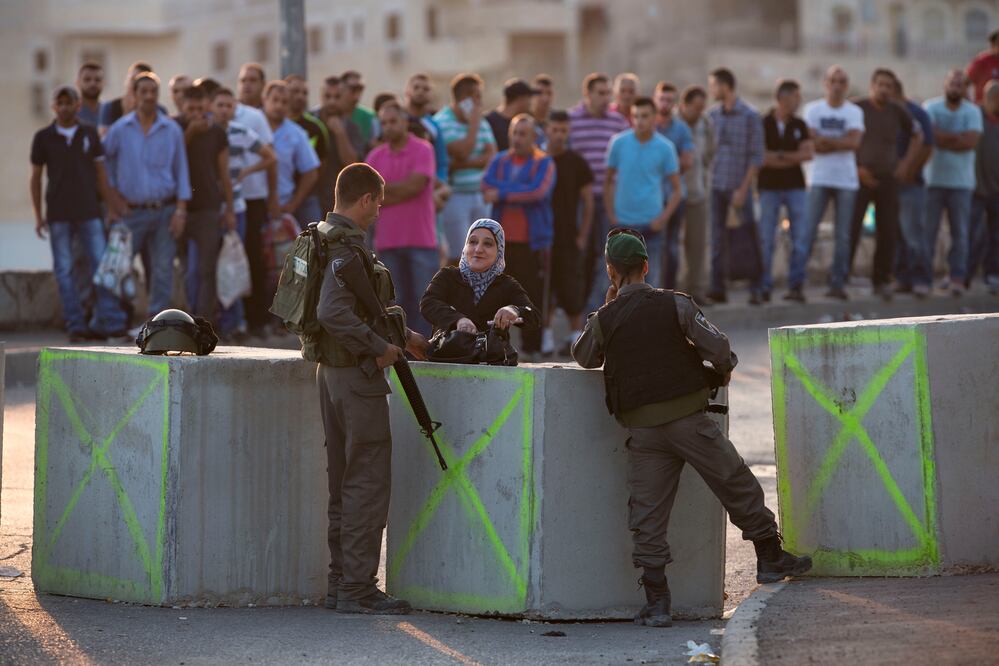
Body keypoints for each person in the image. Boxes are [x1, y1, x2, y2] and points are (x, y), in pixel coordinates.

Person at [571, 229, 812, 628]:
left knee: (647, 515)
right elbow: (719, 348)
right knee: (736, 483)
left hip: (644, 432)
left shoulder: (605, 319)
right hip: (689, 420)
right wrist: (720, 371)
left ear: (610, 271)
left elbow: (583, 358)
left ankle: (658, 600)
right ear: (647, 266)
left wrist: (607, 308)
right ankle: (770, 558)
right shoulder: (675, 304)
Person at [315, 163, 428, 615]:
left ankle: (341, 583)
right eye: (378, 203)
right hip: (356, 377)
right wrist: (379, 347)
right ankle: (356, 588)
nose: (380, 211)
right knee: (366, 482)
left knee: (345, 481)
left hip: (333, 372)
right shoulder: (346, 249)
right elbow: (332, 311)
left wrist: (401, 336)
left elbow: (361, 306)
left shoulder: (323, 237)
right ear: (364, 200)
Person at [30, 85, 128, 341]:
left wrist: (112, 207)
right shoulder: (43, 137)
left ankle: (112, 322)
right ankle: (75, 324)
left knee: (101, 265)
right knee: (64, 269)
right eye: (59, 103)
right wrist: (38, 215)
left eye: (68, 102)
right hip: (58, 214)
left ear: (77, 105)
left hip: (89, 211)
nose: (64, 107)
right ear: (54, 106)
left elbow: (100, 175)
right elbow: (36, 178)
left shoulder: (89, 134)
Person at [103, 72, 191, 318]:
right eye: (144, 92)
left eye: (154, 92)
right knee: (119, 265)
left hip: (165, 211)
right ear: (134, 95)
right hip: (131, 212)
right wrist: (113, 200)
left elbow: (181, 171)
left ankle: (157, 324)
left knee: (163, 269)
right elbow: (102, 163)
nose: (149, 96)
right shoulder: (120, 129)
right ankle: (114, 321)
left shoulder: (171, 129)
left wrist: (181, 211)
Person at [481, 114, 556, 356]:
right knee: (496, 293)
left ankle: (532, 347)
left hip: (532, 242)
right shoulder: (500, 160)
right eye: (515, 132)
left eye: (523, 134)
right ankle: (496, 345)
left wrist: (502, 194)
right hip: (502, 243)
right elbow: (485, 185)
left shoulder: (544, 162)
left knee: (530, 295)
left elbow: (537, 192)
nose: (517, 138)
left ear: (534, 137)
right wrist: (516, 191)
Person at [365, 101, 438, 336]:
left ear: (405, 122)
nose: (388, 127)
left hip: (421, 240)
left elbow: (415, 186)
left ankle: (427, 355)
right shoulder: (374, 156)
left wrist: (383, 195)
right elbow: (367, 197)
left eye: (393, 121)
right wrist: (394, 192)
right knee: (394, 304)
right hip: (388, 242)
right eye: (384, 122)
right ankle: (400, 356)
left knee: (424, 301)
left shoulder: (423, 149)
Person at [210, 87, 277, 339]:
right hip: (209, 207)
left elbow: (270, 157)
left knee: (233, 263)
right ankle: (213, 319)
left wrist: (246, 172)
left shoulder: (240, 132)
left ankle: (234, 322)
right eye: (220, 105)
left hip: (236, 207)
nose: (224, 110)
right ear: (211, 106)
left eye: (229, 105)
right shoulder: (205, 132)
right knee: (207, 267)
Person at [849, 69, 917, 301]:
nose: (884, 89)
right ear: (872, 86)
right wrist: (857, 167)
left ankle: (881, 279)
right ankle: (842, 278)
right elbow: (848, 138)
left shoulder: (898, 111)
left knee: (887, 230)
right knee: (852, 228)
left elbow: (918, 135)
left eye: (889, 85)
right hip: (860, 177)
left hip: (888, 178)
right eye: (880, 84)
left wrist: (906, 164)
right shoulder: (857, 108)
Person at [605, 97, 682, 289]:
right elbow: (607, 181)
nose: (640, 121)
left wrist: (663, 219)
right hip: (622, 225)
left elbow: (677, 190)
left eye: (645, 116)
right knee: (613, 283)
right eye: (636, 116)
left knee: (651, 283)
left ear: (655, 117)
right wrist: (611, 214)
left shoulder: (665, 147)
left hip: (651, 225)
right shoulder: (618, 143)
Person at [801, 66, 864, 301]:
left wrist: (825, 140)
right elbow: (810, 142)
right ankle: (797, 282)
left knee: (843, 235)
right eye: (833, 81)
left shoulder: (854, 112)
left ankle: (838, 283)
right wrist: (840, 140)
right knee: (808, 230)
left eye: (842, 81)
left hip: (846, 180)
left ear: (846, 86)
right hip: (818, 177)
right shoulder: (812, 109)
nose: (837, 85)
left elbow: (854, 142)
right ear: (826, 84)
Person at [569, 72, 629, 312]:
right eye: (601, 93)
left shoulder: (618, 123)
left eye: (608, 93)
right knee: (580, 254)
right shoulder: (572, 120)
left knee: (607, 256)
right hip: (580, 200)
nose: (606, 98)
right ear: (588, 94)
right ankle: (576, 307)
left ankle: (597, 308)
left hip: (608, 199)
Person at [420, 218, 541, 337]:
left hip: (490, 355)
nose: (478, 249)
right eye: (472, 242)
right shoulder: (447, 276)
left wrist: (514, 310)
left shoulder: (506, 284)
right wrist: (458, 319)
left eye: (487, 244)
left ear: (499, 251)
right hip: (447, 354)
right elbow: (428, 303)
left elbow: (534, 316)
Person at [175, 85, 234, 323]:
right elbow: (174, 155)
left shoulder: (217, 133)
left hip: (208, 207)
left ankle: (202, 320)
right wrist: (190, 131)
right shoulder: (174, 127)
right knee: (186, 268)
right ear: (182, 106)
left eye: (201, 108)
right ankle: (184, 316)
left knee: (206, 269)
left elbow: (224, 173)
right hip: (180, 208)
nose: (197, 113)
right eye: (191, 108)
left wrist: (229, 208)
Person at [706, 68, 765, 304]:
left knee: (749, 236)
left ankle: (757, 288)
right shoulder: (712, 116)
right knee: (717, 239)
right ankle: (717, 288)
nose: (712, 90)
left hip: (739, 186)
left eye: (714, 85)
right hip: (716, 185)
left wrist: (743, 189)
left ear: (724, 86)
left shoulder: (750, 115)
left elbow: (756, 155)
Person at [924, 69, 983, 296]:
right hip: (933, 181)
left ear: (965, 88)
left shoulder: (973, 111)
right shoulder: (931, 107)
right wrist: (955, 137)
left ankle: (957, 276)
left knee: (960, 233)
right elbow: (930, 137)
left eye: (960, 84)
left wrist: (943, 138)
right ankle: (925, 277)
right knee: (928, 232)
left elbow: (970, 142)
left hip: (961, 183)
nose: (955, 87)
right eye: (952, 83)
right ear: (944, 85)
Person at [235, 62, 280, 338]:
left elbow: (271, 159)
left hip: (254, 198)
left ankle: (257, 319)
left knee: (256, 258)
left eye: (253, 80)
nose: (247, 84)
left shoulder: (256, 117)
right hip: (230, 201)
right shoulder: (227, 112)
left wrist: (273, 196)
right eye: (243, 79)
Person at [433, 73, 497, 263]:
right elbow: (462, 150)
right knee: (460, 255)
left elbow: (491, 155)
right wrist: (474, 125)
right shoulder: (442, 121)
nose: (480, 102)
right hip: (456, 197)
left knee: (483, 256)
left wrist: (460, 165)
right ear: (465, 99)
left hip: (480, 196)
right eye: (476, 96)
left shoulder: (482, 121)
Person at [758, 79, 813, 302]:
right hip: (769, 187)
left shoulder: (800, 125)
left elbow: (808, 154)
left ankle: (796, 285)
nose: (798, 102)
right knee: (765, 238)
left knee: (799, 236)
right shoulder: (763, 123)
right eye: (795, 97)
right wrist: (790, 157)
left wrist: (777, 156)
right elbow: (761, 157)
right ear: (782, 97)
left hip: (795, 187)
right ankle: (763, 286)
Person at [545, 109, 594, 355]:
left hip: (568, 236)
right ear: (547, 130)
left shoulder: (576, 162)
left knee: (572, 286)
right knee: (545, 287)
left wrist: (583, 234)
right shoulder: (539, 159)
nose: (559, 135)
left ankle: (576, 339)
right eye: (555, 129)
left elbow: (588, 201)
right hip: (542, 237)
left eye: (563, 130)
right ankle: (545, 340)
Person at [892, 77, 935, 298]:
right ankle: (903, 278)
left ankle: (921, 278)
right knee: (897, 234)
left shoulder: (916, 113)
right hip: (889, 185)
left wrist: (910, 170)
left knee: (914, 234)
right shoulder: (886, 113)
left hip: (911, 184)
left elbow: (927, 146)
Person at [653, 82, 695, 291]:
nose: (665, 103)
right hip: (651, 197)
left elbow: (687, 162)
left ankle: (669, 291)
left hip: (674, 196)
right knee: (652, 247)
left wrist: (660, 164)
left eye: (669, 100)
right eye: (662, 99)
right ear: (655, 99)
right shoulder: (648, 126)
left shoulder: (681, 129)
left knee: (671, 248)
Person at [262, 81, 320, 223]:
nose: (279, 106)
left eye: (284, 102)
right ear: (264, 100)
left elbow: (311, 171)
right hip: (253, 202)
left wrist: (294, 203)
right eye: (275, 100)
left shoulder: (296, 133)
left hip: (282, 204)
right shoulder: (252, 125)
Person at [678, 85, 714, 302]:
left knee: (698, 245)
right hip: (673, 194)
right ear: (684, 105)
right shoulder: (673, 124)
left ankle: (697, 290)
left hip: (698, 192)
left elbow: (709, 153)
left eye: (702, 108)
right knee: (674, 247)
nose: (699, 112)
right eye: (695, 108)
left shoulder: (705, 124)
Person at [314, 76, 365, 210]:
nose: (332, 101)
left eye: (337, 97)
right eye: (327, 96)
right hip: (311, 198)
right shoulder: (310, 122)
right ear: (321, 96)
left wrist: (340, 133)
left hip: (339, 200)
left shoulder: (352, 128)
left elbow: (353, 164)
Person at [285, 74, 329, 225]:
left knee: (313, 244)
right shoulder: (271, 124)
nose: (300, 96)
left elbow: (321, 166)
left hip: (308, 199)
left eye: (304, 93)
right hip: (279, 198)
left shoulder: (316, 127)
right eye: (295, 91)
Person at [969, 80, 999, 293]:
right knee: (972, 234)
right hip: (975, 189)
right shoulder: (975, 117)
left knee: (995, 237)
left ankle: (992, 274)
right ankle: (964, 276)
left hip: (997, 191)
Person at [98, 60, 158, 136]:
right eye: (132, 79)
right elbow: (104, 138)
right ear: (127, 80)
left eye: (139, 81)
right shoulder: (109, 107)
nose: (134, 84)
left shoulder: (159, 110)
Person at [486, 78, 538, 152]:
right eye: (529, 98)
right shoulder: (489, 121)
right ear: (520, 99)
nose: (530, 103)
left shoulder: (526, 122)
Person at [341, 70, 376, 148]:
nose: (357, 95)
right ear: (341, 88)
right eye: (353, 89)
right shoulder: (330, 113)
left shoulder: (370, 116)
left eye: (360, 89)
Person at [966, 29, 999, 104]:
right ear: (993, 45)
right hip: (984, 109)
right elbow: (965, 83)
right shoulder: (981, 61)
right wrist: (969, 103)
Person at [76, 62, 104, 127]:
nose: (92, 83)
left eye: (97, 80)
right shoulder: (71, 113)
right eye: (87, 79)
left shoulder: (109, 113)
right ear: (78, 83)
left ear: (103, 83)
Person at [531, 74, 554, 148]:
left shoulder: (557, 120)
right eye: (539, 93)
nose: (545, 98)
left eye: (549, 93)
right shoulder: (525, 120)